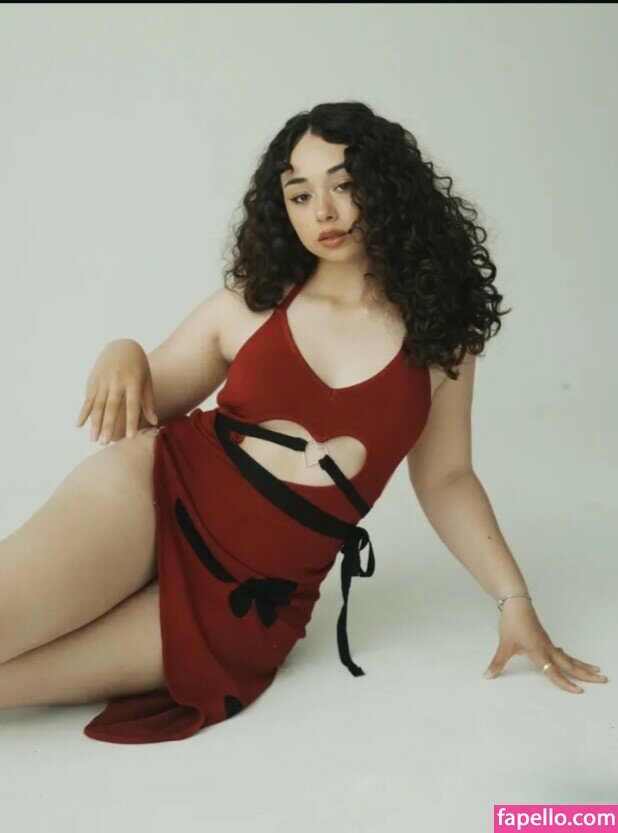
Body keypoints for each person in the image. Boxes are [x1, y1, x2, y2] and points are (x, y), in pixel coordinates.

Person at [0, 101, 607, 744]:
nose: (323, 212)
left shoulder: (439, 337)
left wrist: (514, 600)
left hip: (251, 602)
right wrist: (121, 350)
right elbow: (148, 392)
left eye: (344, 185)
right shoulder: (253, 302)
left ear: (389, 189)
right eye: (300, 194)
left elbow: (447, 478)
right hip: (152, 498)